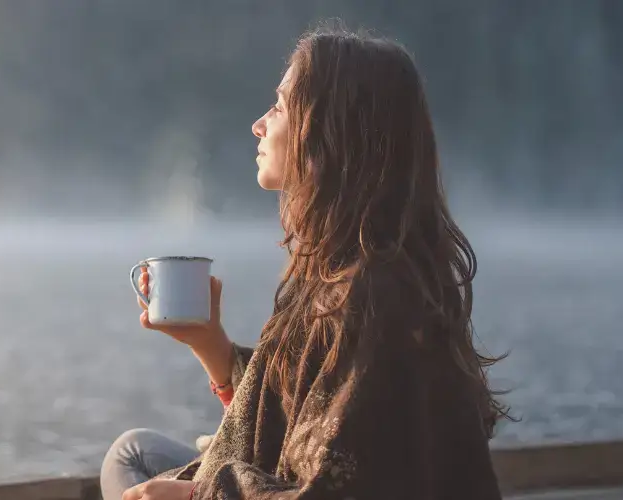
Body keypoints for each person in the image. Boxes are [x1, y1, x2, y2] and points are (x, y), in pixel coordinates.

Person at [102, 24, 511, 500]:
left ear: (329, 132)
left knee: (133, 468)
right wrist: (209, 343)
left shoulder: (374, 296)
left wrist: (200, 495)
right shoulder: (352, 268)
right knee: (135, 452)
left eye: (279, 106)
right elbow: (294, 416)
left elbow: (342, 488)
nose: (259, 124)